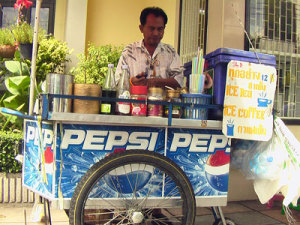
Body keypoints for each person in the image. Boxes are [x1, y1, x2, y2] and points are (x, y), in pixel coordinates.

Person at [115, 7, 184, 89]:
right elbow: (117, 82)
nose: (156, 33)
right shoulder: (129, 51)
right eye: (151, 28)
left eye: (160, 29)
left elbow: (179, 81)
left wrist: (155, 82)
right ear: (141, 28)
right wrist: (131, 82)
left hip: (163, 101)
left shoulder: (170, 52)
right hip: (135, 101)